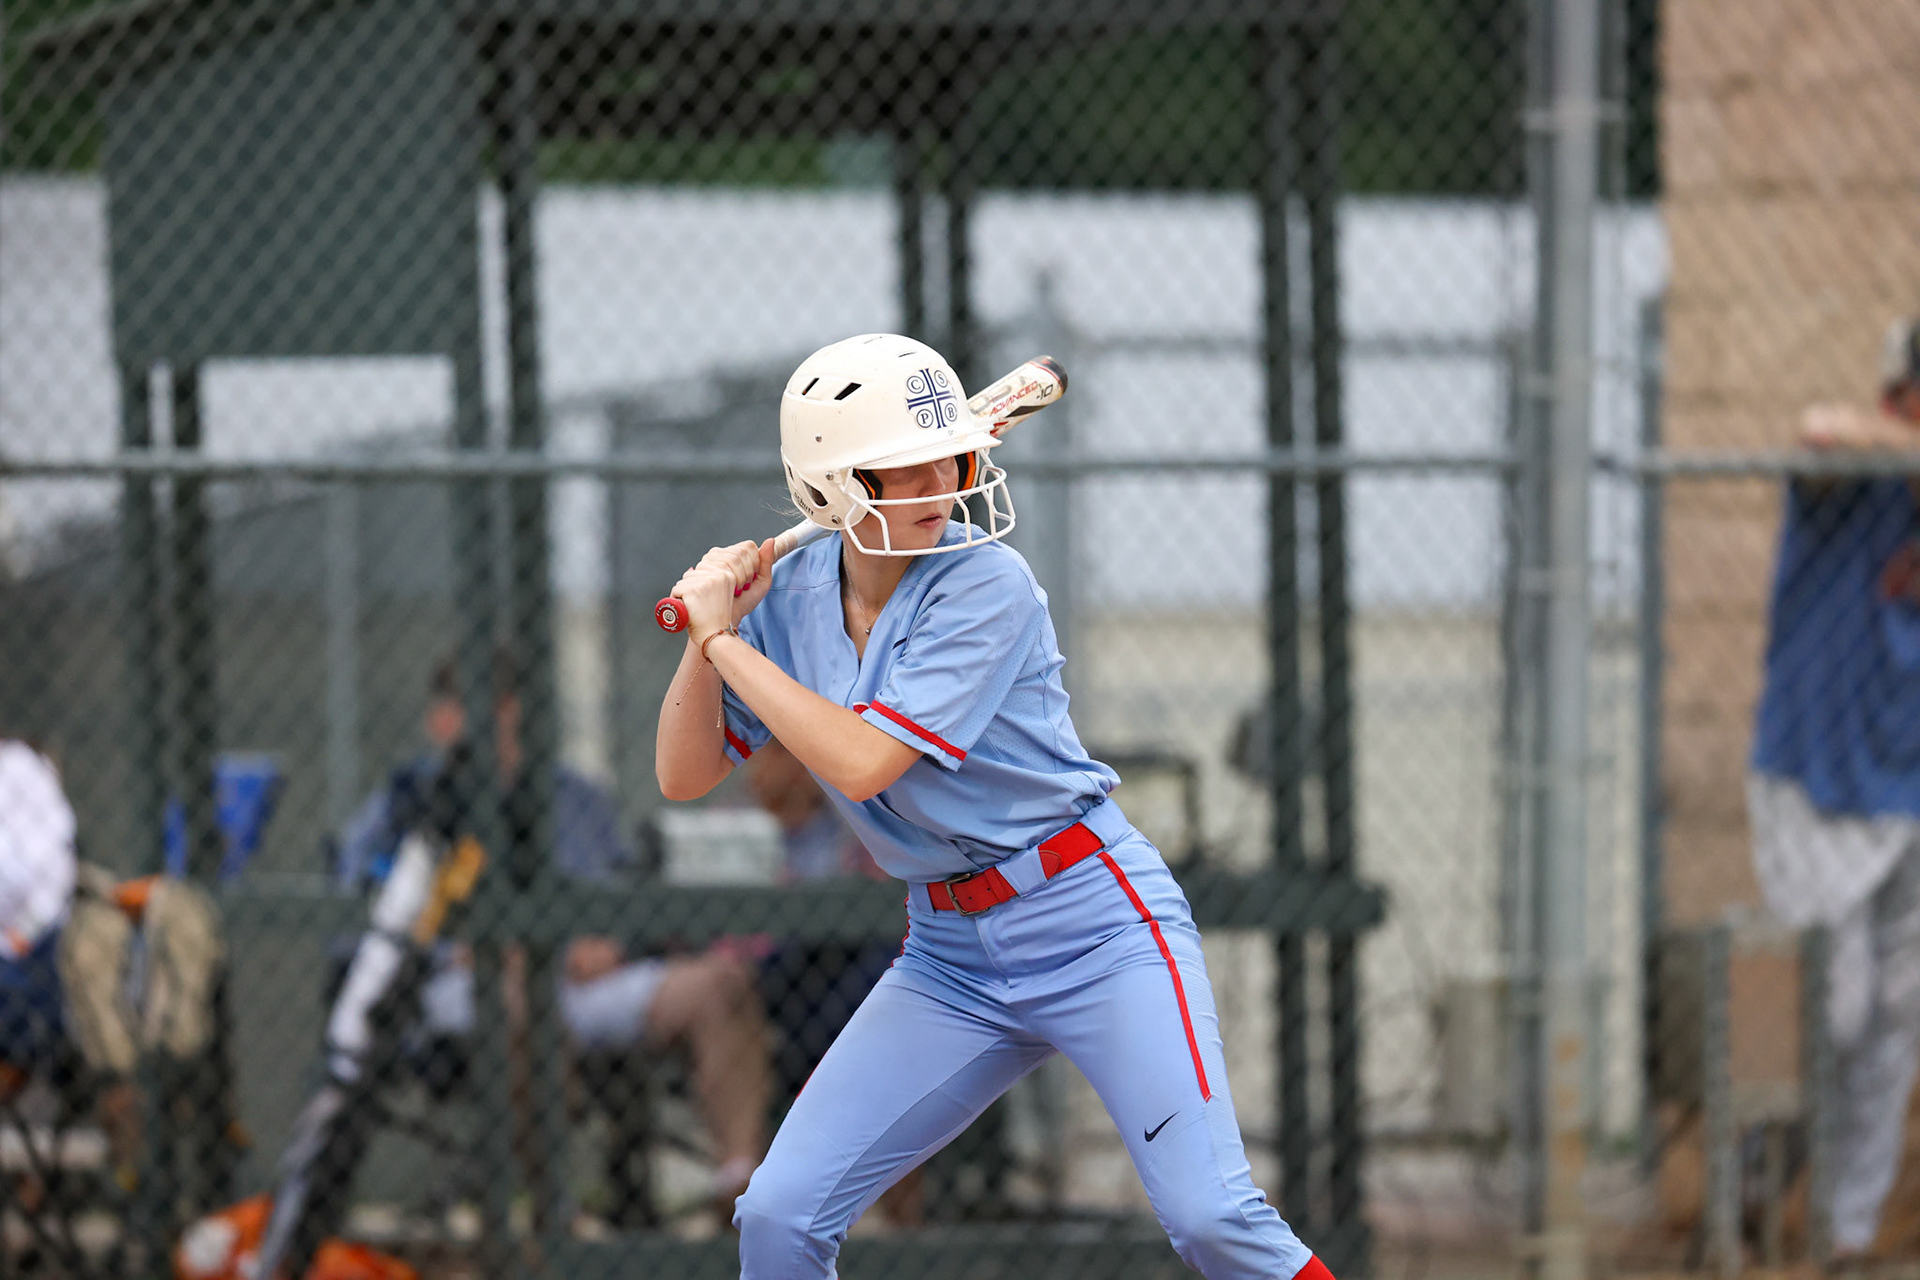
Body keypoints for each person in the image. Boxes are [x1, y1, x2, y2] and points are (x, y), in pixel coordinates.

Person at [657, 333, 1334, 1280]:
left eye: (950, 454)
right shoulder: (791, 594)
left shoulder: (986, 583)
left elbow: (860, 765)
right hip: (950, 960)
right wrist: (706, 636)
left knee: (1212, 1217)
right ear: (836, 489)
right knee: (777, 1213)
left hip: (1095, 923)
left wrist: (727, 645)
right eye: (909, 465)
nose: (944, 480)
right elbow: (683, 776)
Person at [337, 653, 769, 1210]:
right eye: (475, 708)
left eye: (508, 706)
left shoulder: (575, 797)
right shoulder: (406, 800)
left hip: (580, 983)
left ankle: (743, 1191)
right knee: (514, 1000)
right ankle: (541, 1207)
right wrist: (462, 948)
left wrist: (615, 944)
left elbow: (631, 899)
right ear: (440, 721)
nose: (498, 723)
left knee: (720, 984)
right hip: (460, 988)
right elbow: (359, 927)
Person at [1747, 316, 1920, 1258]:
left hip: (1912, 786)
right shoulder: (1854, 473)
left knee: (1898, 1020)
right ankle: (1754, 1167)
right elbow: (1819, 432)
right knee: (1838, 1008)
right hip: (1813, 775)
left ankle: (1844, 1236)